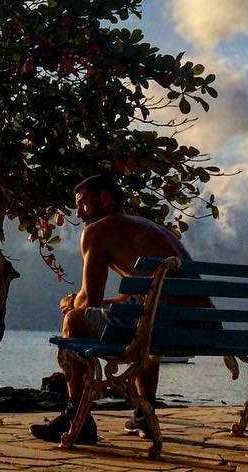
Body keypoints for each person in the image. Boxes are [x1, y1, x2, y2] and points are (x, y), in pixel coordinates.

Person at [29, 174, 194, 444]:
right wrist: (87, 303)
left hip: (161, 321)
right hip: (193, 325)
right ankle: (144, 414)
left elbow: (90, 301)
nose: (78, 212)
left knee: (73, 320)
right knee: (143, 321)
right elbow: (132, 303)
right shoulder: (151, 229)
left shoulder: (98, 230)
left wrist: (72, 304)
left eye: (82, 203)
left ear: (104, 199)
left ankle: (76, 418)